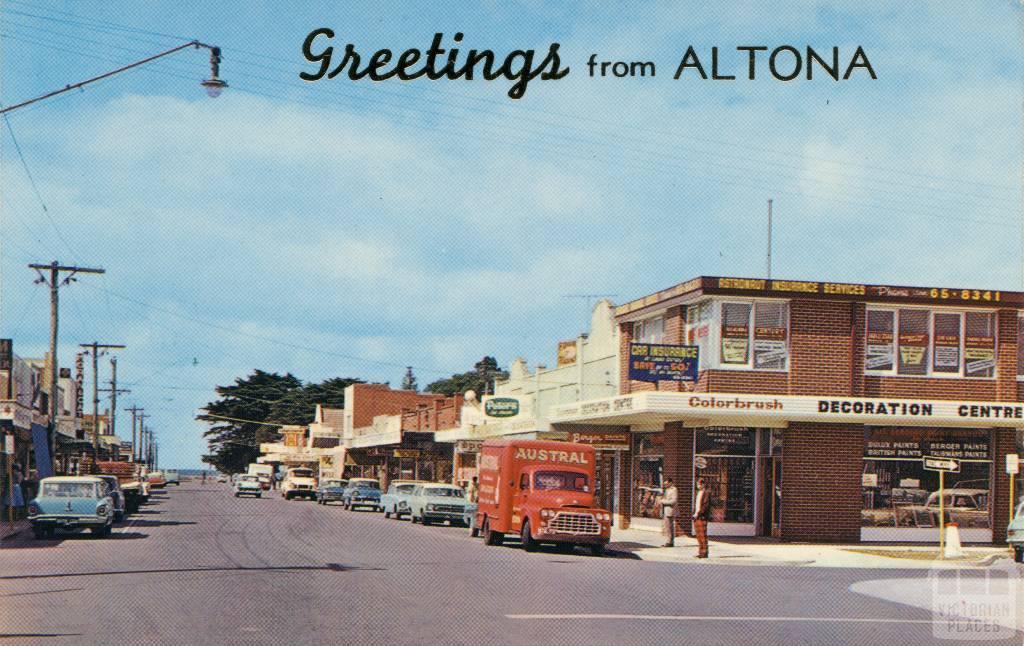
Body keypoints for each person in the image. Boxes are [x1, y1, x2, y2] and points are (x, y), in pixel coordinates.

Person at [693, 477, 711, 558]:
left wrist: (699, 513)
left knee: (703, 535)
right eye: (697, 484)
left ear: (703, 484)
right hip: (696, 516)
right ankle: (700, 551)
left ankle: (704, 552)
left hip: (702, 516)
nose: (698, 485)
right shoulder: (698, 493)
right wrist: (694, 513)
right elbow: (697, 505)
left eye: (699, 484)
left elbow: (705, 506)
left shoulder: (706, 493)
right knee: (698, 535)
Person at [660, 477, 678, 547]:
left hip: (670, 510)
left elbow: (673, 501)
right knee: (666, 526)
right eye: (665, 484)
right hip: (665, 510)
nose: (665, 485)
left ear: (670, 483)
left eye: (667, 484)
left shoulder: (674, 489)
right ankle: (668, 540)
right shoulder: (666, 490)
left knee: (669, 526)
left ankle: (670, 541)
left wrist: (663, 501)